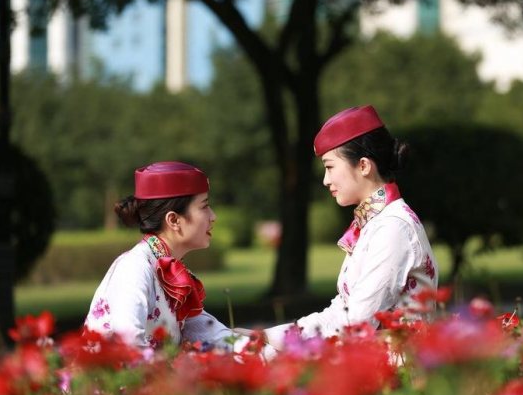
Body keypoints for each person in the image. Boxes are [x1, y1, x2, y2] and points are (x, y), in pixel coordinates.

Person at [264, 105, 439, 349]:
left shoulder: (393, 228)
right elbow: (341, 311)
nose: (326, 180)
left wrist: (270, 344)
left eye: (330, 167)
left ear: (364, 165)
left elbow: (356, 322)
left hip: (398, 374)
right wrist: (268, 338)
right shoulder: (376, 224)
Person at [85, 161, 243, 350]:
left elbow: (211, 334)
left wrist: (266, 341)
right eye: (204, 207)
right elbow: (128, 345)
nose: (213, 216)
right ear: (174, 220)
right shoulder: (134, 268)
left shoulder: (169, 270)